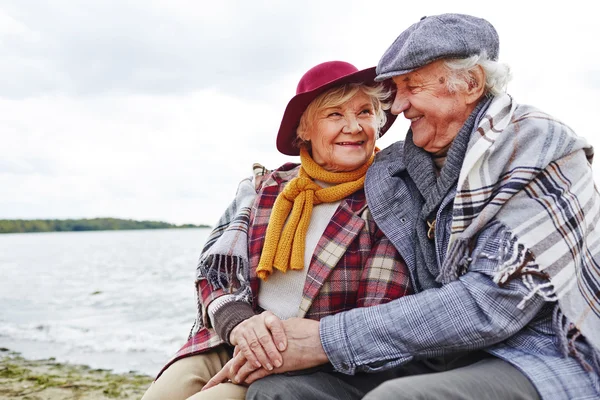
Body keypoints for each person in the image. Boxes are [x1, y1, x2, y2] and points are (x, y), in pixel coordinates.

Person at [206, 13, 600, 400]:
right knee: (280, 392)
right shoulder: (415, 160)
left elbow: (493, 303)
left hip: (544, 350)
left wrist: (325, 340)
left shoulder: (537, 147)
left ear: (471, 83)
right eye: (395, 91)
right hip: (446, 353)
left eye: (411, 86)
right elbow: (217, 268)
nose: (397, 107)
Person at [140, 60, 412, 400]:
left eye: (365, 112)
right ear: (305, 130)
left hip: (318, 359)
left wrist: (278, 347)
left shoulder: (390, 198)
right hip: (238, 337)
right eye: (335, 115)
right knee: (163, 393)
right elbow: (214, 272)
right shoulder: (264, 187)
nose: (354, 127)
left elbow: (378, 313)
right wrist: (240, 325)